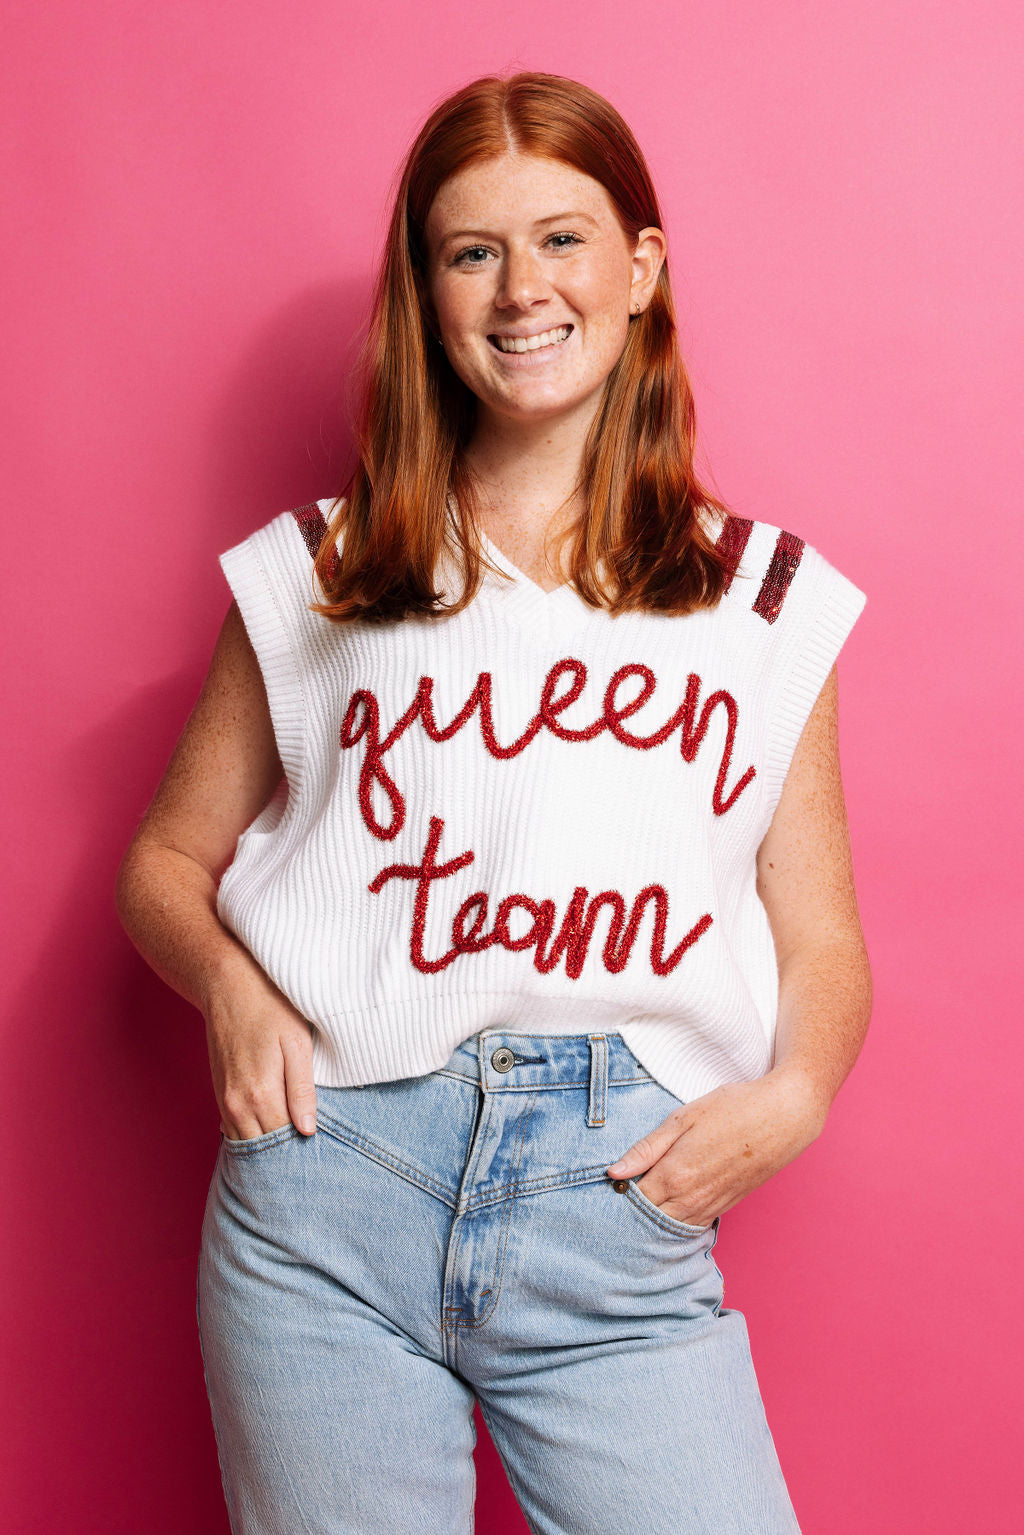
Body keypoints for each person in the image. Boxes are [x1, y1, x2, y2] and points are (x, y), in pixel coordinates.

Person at [116, 70, 872, 1535]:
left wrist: (793, 1099)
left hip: (617, 1211)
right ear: (427, 291)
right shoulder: (323, 573)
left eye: (563, 240)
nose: (523, 290)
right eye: (472, 252)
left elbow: (822, 938)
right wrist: (229, 989)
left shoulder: (764, 603)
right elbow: (163, 860)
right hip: (328, 1196)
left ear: (641, 270)